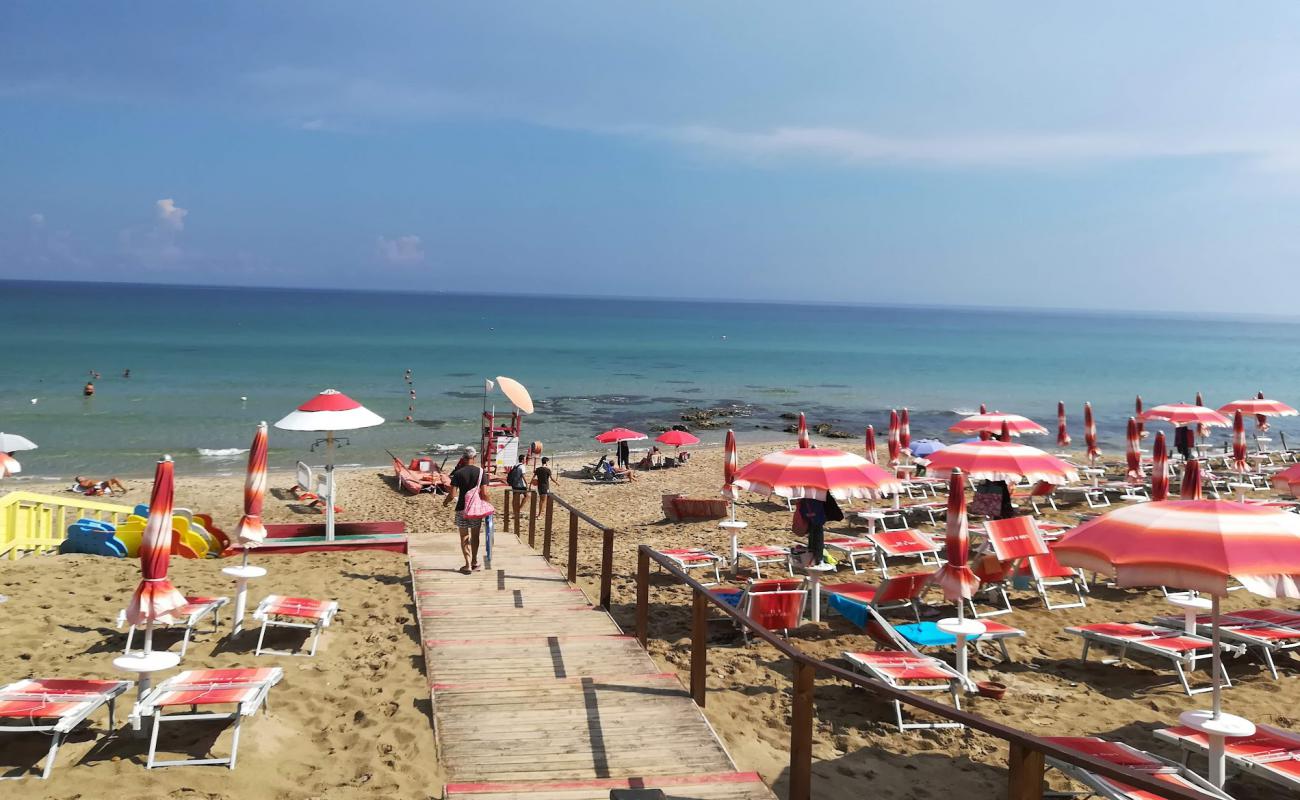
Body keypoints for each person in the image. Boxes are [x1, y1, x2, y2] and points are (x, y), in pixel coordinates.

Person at [443, 447, 486, 573]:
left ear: (463, 458)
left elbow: (452, 494)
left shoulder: (458, 473)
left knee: (464, 536)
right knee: (475, 536)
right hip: (476, 509)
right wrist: (487, 506)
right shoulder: (481, 472)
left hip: (462, 508)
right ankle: (474, 561)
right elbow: (485, 493)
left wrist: (445, 503)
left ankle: (467, 565)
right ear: (474, 457)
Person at [796, 496, 827, 566]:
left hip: (815, 516)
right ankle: (817, 558)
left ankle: (815, 558)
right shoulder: (811, 496)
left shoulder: (808, 497)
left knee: (815, 537)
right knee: (816, 537)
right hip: (815, 516)